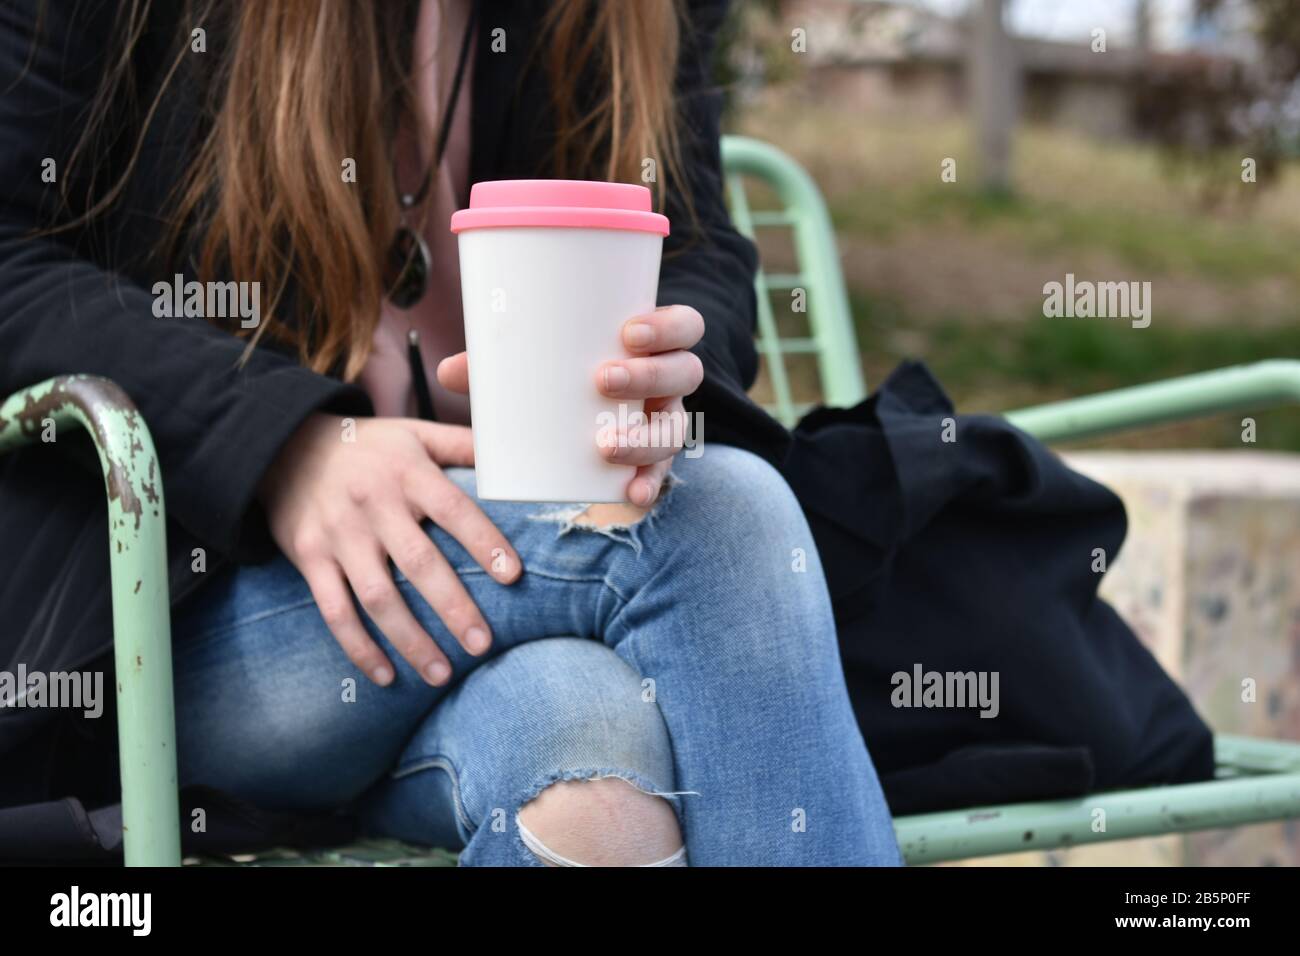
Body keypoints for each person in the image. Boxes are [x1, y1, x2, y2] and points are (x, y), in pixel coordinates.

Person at [0, 0, 900, 866]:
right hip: (174, 612)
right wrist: (281, 444)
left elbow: (694, 238)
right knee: (715, 520)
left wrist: (662, 367)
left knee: (590, 757)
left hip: (493, 606)